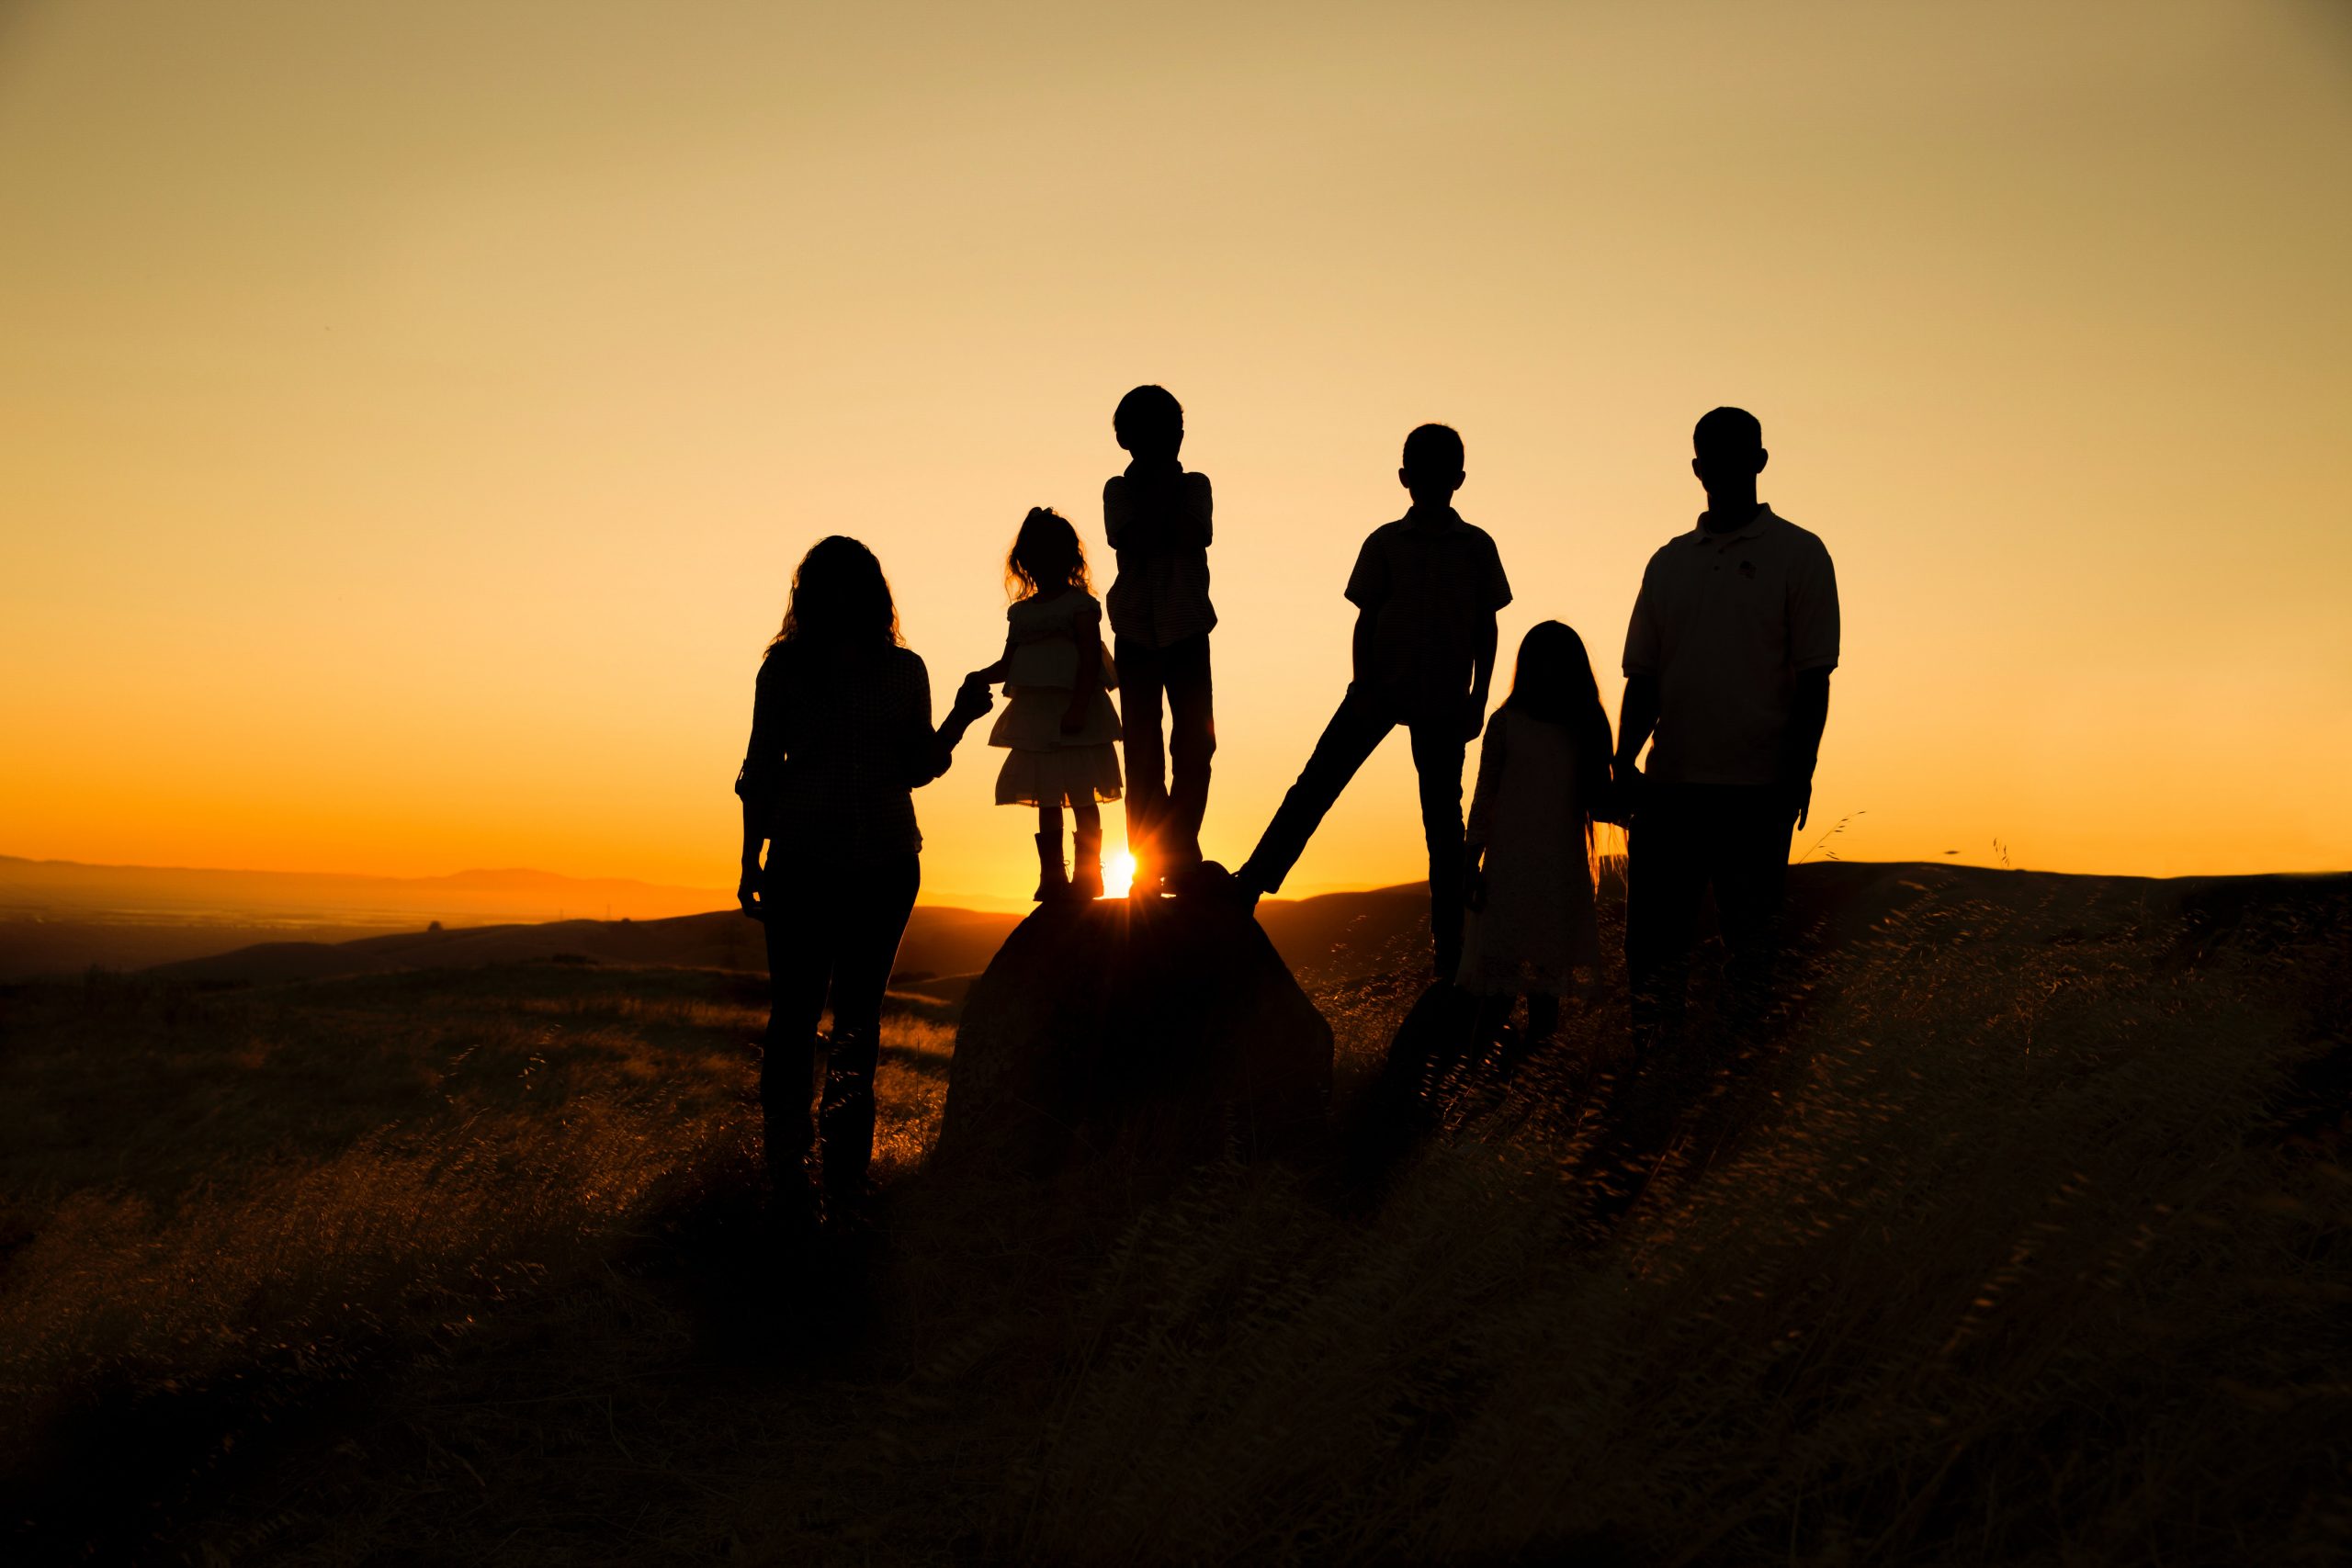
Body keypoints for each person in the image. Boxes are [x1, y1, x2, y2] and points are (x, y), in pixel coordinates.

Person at [735, 536, 993, 1221]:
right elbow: (915, 768)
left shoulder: (787, 669)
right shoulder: (898, 670)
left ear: (805, 594)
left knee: (797, 1016)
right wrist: (960, 722)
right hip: (880, 863)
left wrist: (749, 858)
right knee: (855, 1021)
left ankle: (793, 1175)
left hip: (811, 859)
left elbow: (760, 772)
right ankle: (841, 1181)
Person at [1232, 423, 1511, 979]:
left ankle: (1448, 951)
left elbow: (1486, 627)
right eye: (1423, 473)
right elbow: (1366, 621)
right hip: (1381, 689)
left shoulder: (1476, 547)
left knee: (1441, 822)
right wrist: (1362, 686)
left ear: (1457, 479)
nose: (1431, 483)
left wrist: (1477, 699)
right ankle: (1253, 882)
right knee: (1318, 785)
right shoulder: (1385, 542)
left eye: (1440, 473)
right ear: (1407, 478)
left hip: (1440, 699)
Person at [1614, 406, 1839, 1050]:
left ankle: (1740, 1084)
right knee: (1655, 956)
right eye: (1712, 456)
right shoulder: (1668, 563)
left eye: (1736, 454)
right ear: (1696, 468)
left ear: (1760, 461)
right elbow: (1644, 677)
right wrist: (1623, 764)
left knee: (1752, 953)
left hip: (1755, 788)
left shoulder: (1800, 554)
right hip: (1670, 789)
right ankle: (1657, 1078)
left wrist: (1798, 773)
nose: (1723, 467)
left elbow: (1813, 678)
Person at [1459, 621, 1615, 1066]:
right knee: (1499, 998)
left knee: (1545, 1003)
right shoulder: (1506, 723)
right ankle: (1476, 1092)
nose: (1548, 670)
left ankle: (1523, 1101)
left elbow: (1600, 802)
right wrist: (1471, 866)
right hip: (1508, 875)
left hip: (1557, 876)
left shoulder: (1585, 725)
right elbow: (1484, 797)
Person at [967, 507, 1124, 900]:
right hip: (1037, 719)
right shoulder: (1021, 614)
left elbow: (1090, 661)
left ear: (1068, 559)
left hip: (1077, 715)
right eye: (1035, 558)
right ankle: (1052, 874)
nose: (1042, 566)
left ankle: (1089, 873)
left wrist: (1077, 709)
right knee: (1048, 795)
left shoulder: (1080, 606)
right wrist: (979, 676)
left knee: (1083, 794)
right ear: (1026, 563)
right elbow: (1008, 664)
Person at [1102, 385, 1216, 896]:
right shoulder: (1118, 490)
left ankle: (1180, 849)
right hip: (1136, 634)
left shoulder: (1196, 485)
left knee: (1196, 744)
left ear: (1179, 435)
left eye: (1166, 431)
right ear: (1126, 439)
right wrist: (1161, 517)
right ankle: (1151, 863)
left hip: (1188, 630)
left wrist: (1159, 516)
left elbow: (1192, 534)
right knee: (1145, 753)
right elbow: (1132, 539)